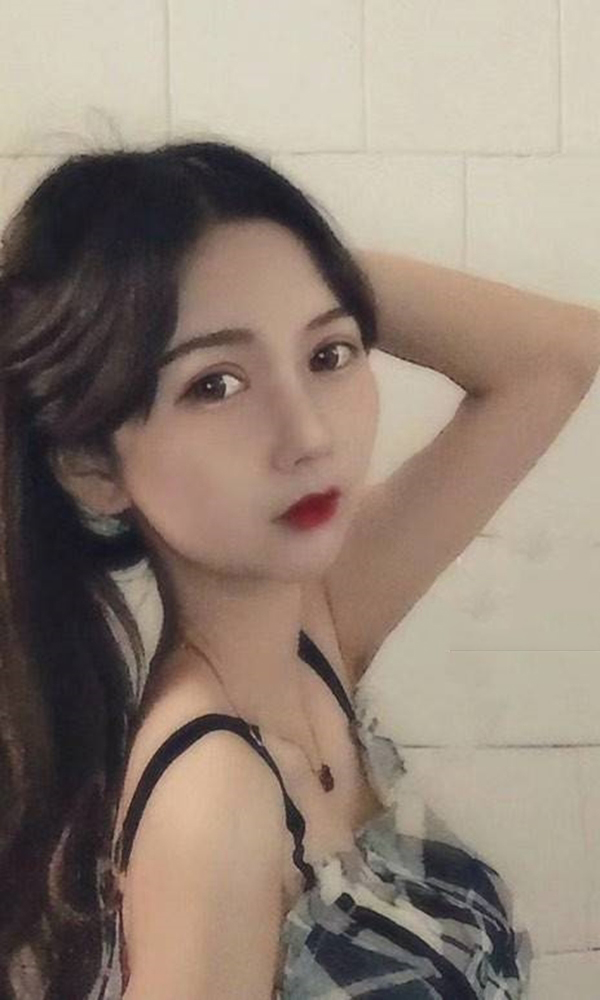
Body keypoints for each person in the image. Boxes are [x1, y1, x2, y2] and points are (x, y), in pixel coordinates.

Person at [0, 140, 598, 1000]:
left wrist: (287, 265)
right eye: (215, 384)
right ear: (93, 463)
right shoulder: (214, 806)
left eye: (327, 356)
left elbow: (557, 357)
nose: (309, 435)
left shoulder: (314, 625)